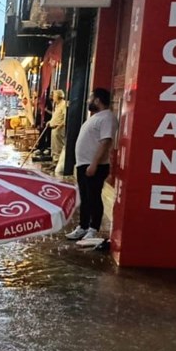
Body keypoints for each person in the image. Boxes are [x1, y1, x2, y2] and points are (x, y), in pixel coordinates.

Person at [66, 88, 115, 241]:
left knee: (93, 197)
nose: (88, 101)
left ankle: (93, 228)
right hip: (84, 164)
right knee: (85, 197)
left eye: (90, 98)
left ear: (97, 100)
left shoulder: (107, 117)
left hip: (94, 166)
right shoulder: (96, 117)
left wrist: (94, 164)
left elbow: (105, 142)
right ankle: (83, 226)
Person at [49, 89, 67, 166]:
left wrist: (59, 126)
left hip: (58, 129)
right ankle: (54, 163)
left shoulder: (63, 105)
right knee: (54, 148)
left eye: (54, 96)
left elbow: (65, 118)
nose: (53, 97)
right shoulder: (57, 105)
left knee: (58, 147)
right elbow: (56, 116)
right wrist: (50, 122)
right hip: (53, 128)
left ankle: (58, 164)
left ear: (58, 96)